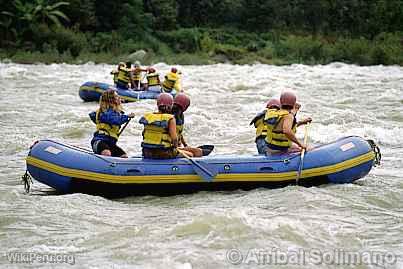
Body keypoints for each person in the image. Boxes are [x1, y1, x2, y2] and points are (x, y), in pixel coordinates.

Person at [139, 93, 195, 159]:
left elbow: (143, 134)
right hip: (163, 152)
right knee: (190, 154)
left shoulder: (149, 117)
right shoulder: (170, 119)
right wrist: (176, 148)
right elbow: (174, 139)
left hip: (146, 152)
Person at [89, 89, 135, 157]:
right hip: (99, 141)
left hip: (110, 143)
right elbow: (116, 120)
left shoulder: (115, 113)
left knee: (124, 156)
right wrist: (127, 116)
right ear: (111, 100)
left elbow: (93, 116)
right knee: (107, 153)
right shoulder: (105, 113)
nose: (119, 97)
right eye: (116, 96)